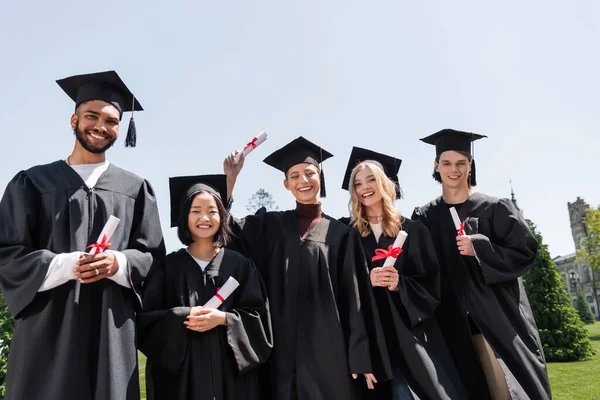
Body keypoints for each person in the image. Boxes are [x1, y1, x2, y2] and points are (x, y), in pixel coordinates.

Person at [0, 70, 165, 400]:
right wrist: (65, 264)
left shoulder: (135, 189)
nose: (101, 126)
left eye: (111, 120)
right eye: (92, 116)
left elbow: (153, 257)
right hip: (47, 326)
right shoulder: (32, 183)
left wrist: (118, 263)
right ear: (74, 119)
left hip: (111, 329)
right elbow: (7, 252)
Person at [223, 136, 381, 400]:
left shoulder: (342, 235)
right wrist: (231, 178)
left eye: (309, 173)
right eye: (294, 176)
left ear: (320, 176)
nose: (303, 181)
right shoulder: (270, 226)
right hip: (280, 350)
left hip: (329, 350)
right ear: (286, 184)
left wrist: (360, 355)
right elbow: (226, 229)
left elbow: (355, 299)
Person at [412, 129, 551, 400]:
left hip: (497, 322)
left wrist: (480, 247)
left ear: (470, 165)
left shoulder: (495, 208)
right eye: (447, 163)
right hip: (451, 325)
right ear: (436, 166)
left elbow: (525, 253)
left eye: (461, 163)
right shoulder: (425, 216)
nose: (454, 170)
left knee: (507, 391)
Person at [340, 146, 468, 400]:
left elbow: (431, 282)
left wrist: (400, 284)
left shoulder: (413, 230)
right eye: (358, 183)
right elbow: (337, 283)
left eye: (371, 179)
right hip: (368, 337)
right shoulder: (347, 234)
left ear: (386, 184)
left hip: (407, 335)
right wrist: (366, 280)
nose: (365, 187)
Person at [138, 174, 272, 400]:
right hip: (179, 381)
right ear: (185, 217)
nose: (204, 217)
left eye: (212, 210)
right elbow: (146, 321)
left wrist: (224, 319)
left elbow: (259, 319)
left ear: (222, 216)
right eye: (196, 211)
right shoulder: (168, 267)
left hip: (230, 379)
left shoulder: (240, 265)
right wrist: (184, 315)